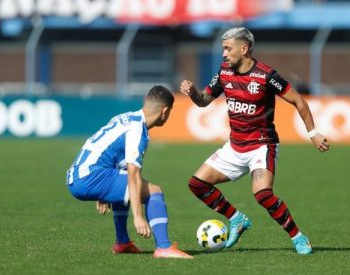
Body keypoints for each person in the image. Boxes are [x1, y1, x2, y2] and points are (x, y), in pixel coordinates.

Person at [180, 27, 329, 255]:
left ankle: (298, 237)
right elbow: (203, 101)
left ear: (244, 48)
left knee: (262, 194)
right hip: (235, 146)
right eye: (223, 49)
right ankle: (236, 219)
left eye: (228, 49)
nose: (224, 54)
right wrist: (192, 93)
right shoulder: (223, 72)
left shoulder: (267, 76)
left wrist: (313, 133)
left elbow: (299, 101)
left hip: (262, 145)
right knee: (196, 184)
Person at [66, 85, 193, 259]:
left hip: (79, 176)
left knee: (126, 187)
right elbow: (133, 176)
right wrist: (138, 217)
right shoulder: (137, 130)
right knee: (154, 191)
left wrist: (103, 193)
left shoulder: (126, 118)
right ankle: (164, 247)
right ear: (164, 111)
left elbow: (110, 157)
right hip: (91, 176)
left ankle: (122, 243)